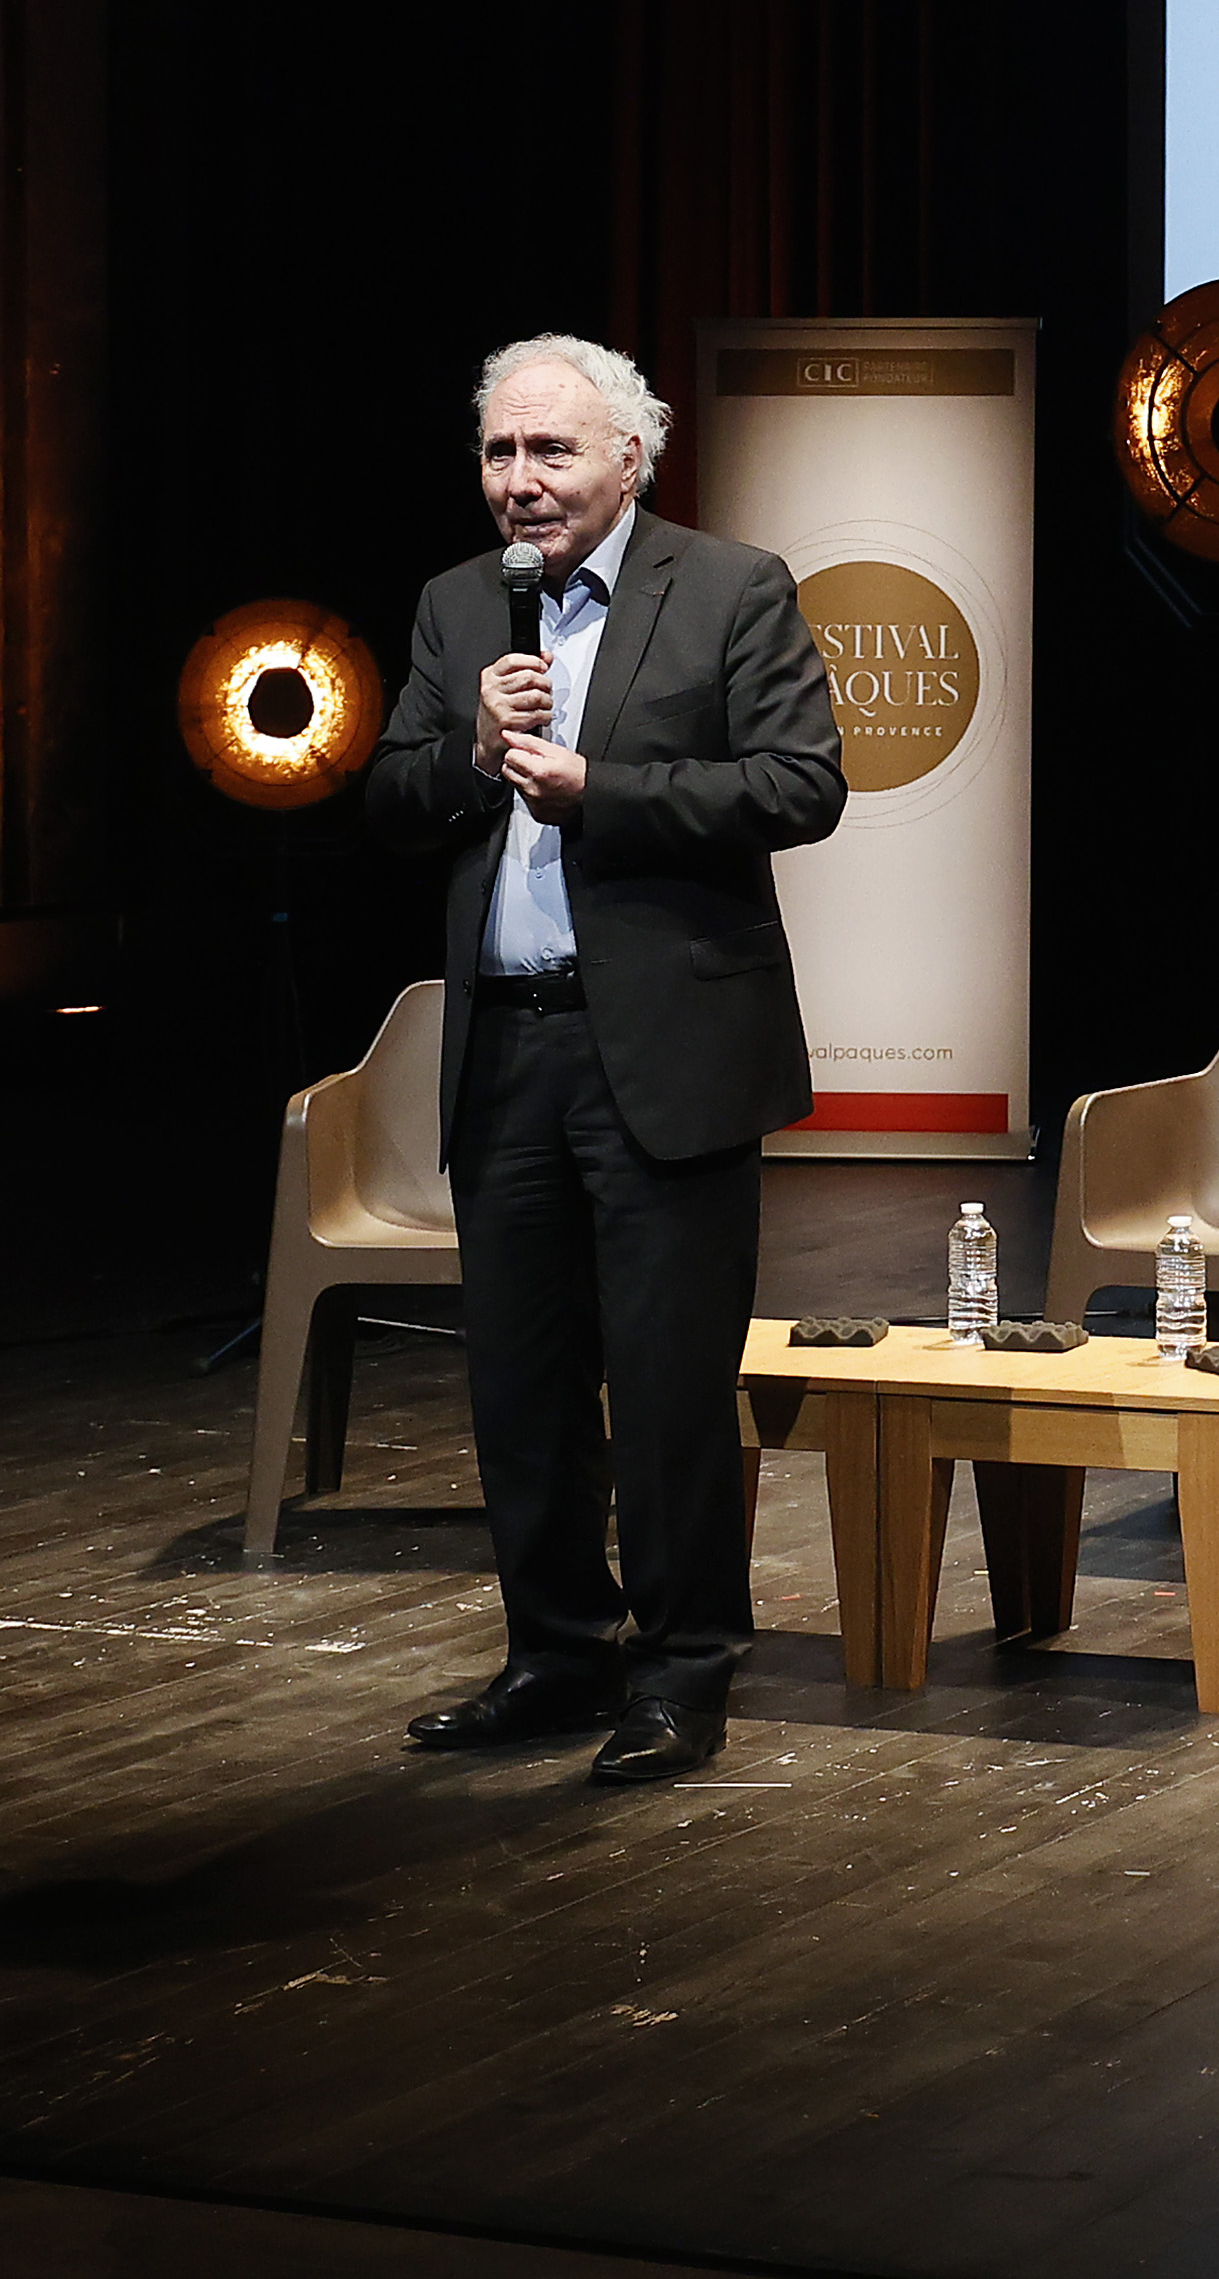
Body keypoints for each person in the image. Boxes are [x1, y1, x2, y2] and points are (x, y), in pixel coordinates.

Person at [365, 331, 841, 1781]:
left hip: (667, 1049)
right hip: (507, 1048)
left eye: (550, 450)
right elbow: (390, 797)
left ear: (632, 457)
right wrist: (469, 752)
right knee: (521, 1384)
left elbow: (801, 784)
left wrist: (603, 789)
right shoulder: (457, 605)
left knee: (669, 1383)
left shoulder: (731, 586)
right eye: (499, 452)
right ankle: (557, 1655)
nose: (520, 480)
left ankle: (683, 1670)